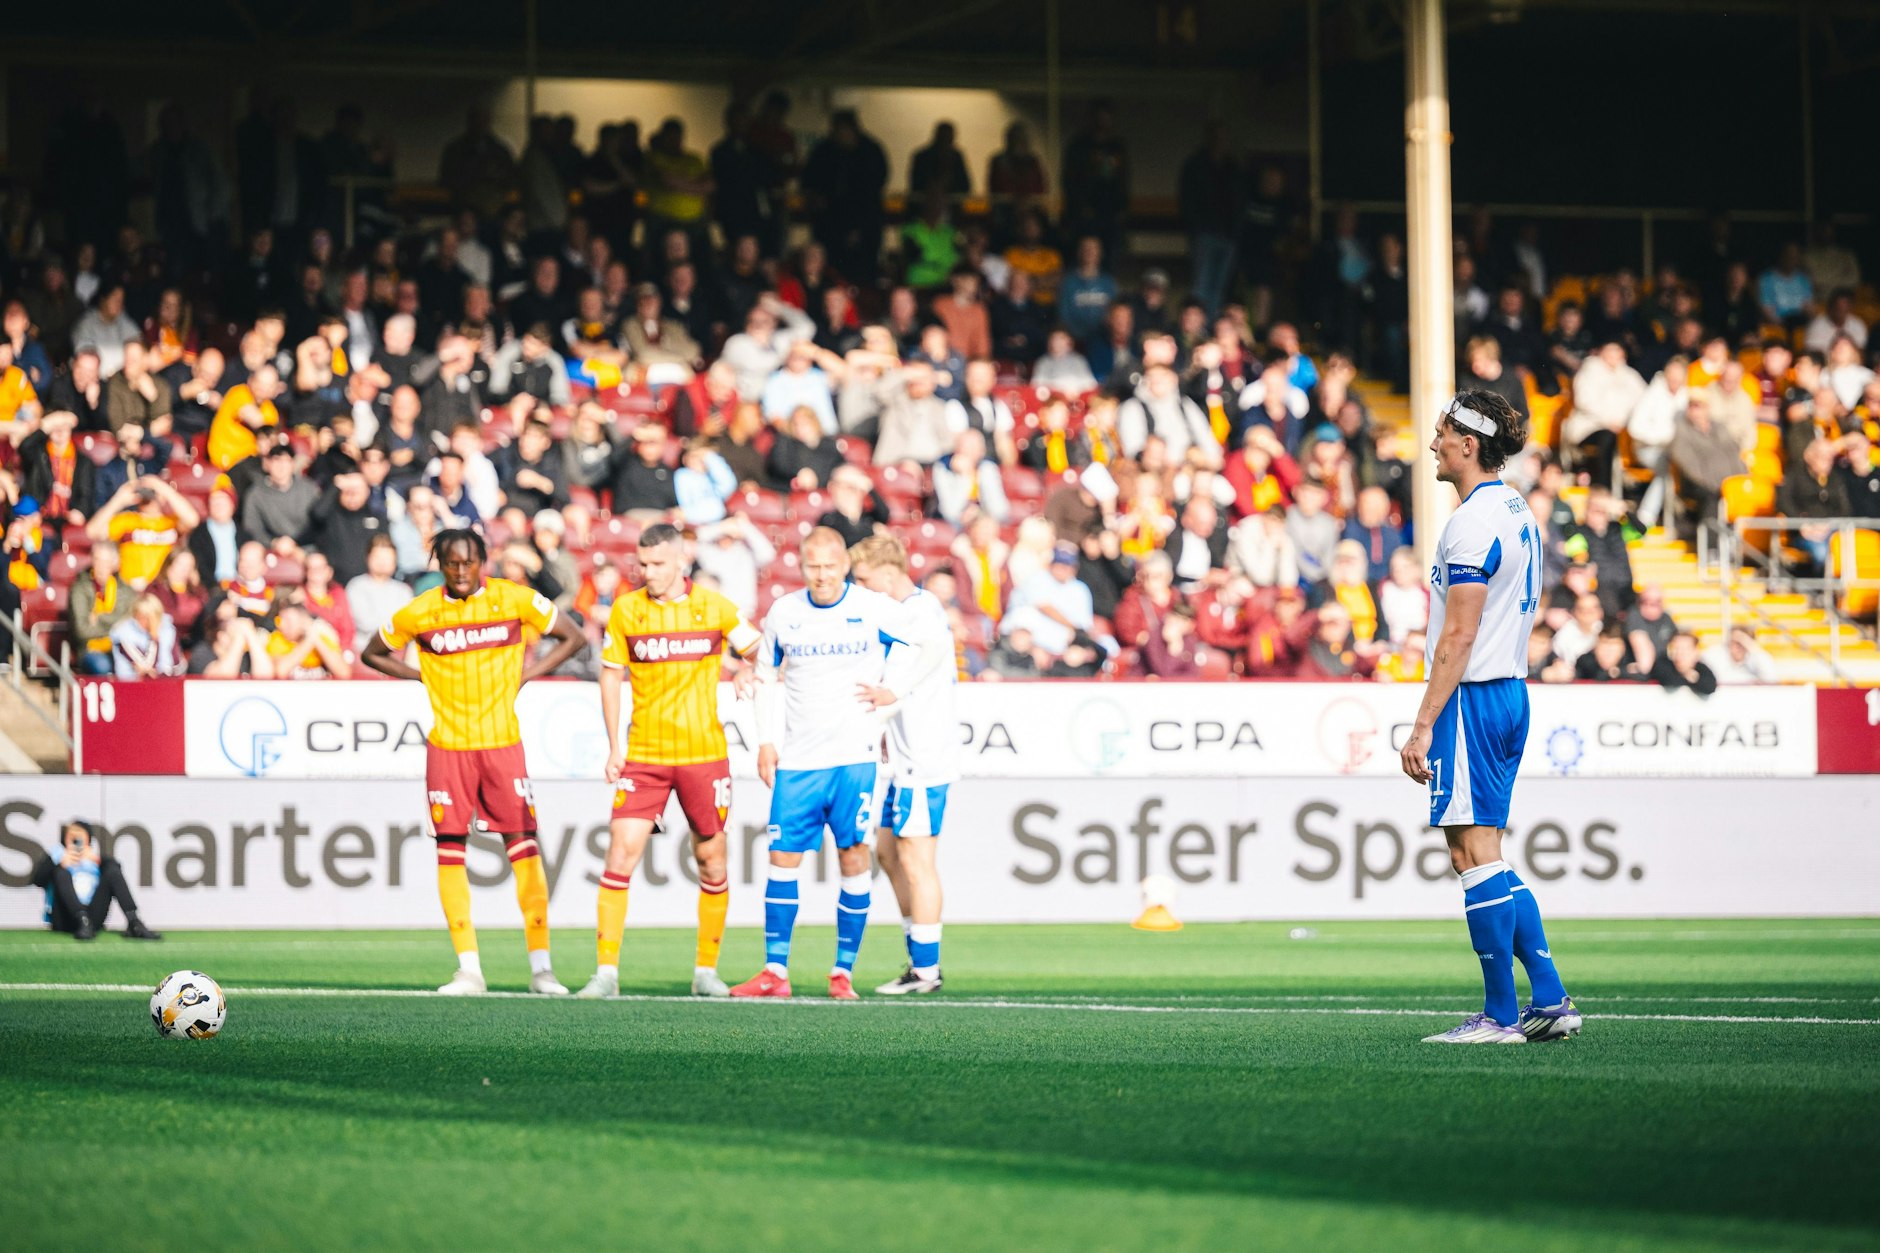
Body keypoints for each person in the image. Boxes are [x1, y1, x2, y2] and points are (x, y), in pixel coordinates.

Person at [1400, 389, 1578, 1046]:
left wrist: (1423, 723)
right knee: (1478, 851)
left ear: (1468, 444)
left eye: (1443, 433)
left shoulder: (1472, 522)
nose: (1435, 443)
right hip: (1508, 691)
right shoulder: (1517, 508)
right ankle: (1551, 997)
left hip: (1472, 695)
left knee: (1473, 854)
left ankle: (1501, 1015)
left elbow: (1458, 635)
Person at [361, 529, 588, 996]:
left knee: (524, 848)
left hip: (503, 745)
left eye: (468, 562)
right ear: (439, 565)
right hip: (448, 749)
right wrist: (420, 678)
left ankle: (542, 968)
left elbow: (574, 636)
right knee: (450, 851)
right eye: (450, 563)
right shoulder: (420, 612)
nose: (460, 571)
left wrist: (526, 676)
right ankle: (469, 969)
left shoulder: (516, 600)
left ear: (484, 560)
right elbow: (372, 652)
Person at [732, 528, 949, 1000]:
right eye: (814, 567)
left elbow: (932, 642)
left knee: (855, 858)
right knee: (781, 860)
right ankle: (774, 971)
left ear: (844, 568)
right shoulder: (784, 612)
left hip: (855, 759)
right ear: (803, 565)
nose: (822, 575)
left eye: (830, 566)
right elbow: (766, 674)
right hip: (798, 760)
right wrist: (766, 741)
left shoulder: (871, 608)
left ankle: (842, 973)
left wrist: (897, 689)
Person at [578, 524, 762, 1001]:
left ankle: (705, 970)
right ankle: (605, 973)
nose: (649, 572)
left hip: (703, 755)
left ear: (682, 561)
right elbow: (611, 677)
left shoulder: (714, 608)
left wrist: (744, 667)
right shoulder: (627, 610)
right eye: (643, 563)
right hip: (645, 755)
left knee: (711, 859)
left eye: (659, 563)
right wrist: (614, 746)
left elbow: (763, 649)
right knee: (621, 851)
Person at [848, 536, 957, 995]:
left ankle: (927, 971)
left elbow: (927, 658)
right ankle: (918, 957)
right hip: (906, 760)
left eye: (863, 579)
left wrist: (892, 695)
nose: (859, 588)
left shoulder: (918, 613)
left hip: (924, 759)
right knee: (891, 853)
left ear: (888, 575)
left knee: (917, 859)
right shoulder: (913, 610)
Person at [30, 820, 161, 941]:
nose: (76, 837)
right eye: (71, 834)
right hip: (64, 918)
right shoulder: (56, 855)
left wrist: (97, 860)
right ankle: (82, 921)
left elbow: (116, 870)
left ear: (88, 838)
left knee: (112, 871)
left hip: (93, 916)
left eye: (79, 834)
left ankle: (134, 922)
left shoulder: (96, 859)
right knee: (61, 873)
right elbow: (38, 880)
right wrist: (58, 863)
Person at [110, 593, 182, 679]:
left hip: (164, 682)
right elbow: (145, 667)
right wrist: (154, 638)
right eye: (140, 617)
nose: (144, 622)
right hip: (130, 683)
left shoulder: (168, 630)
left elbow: (174, 665)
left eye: (148, 618)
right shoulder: (124, 633)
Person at [1651, 631, 1718, 696]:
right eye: (1676, 648)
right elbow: (1670, 681)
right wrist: (1687, 676)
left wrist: (1694, 678)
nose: (1679, 653)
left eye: (1685, 649)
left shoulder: (1701, 668)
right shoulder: (1663, 663)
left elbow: (1710, 687)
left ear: (1695, 652)